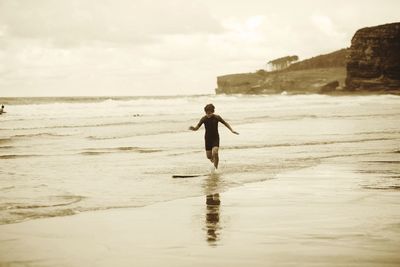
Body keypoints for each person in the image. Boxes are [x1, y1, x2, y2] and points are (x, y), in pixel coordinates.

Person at [189, 103, 239, 170]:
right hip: (207, 139)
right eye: (207, 113)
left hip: (215, 138)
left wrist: (232, 130)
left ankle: (216, 169)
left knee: (215, 152)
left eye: (210, 113)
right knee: (209, 157)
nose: (208, 115)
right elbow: (197, 128)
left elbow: (225, 123)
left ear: (213, 112)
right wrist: (193, 128)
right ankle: (215, 161)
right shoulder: (203, 119)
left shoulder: (217, 117)